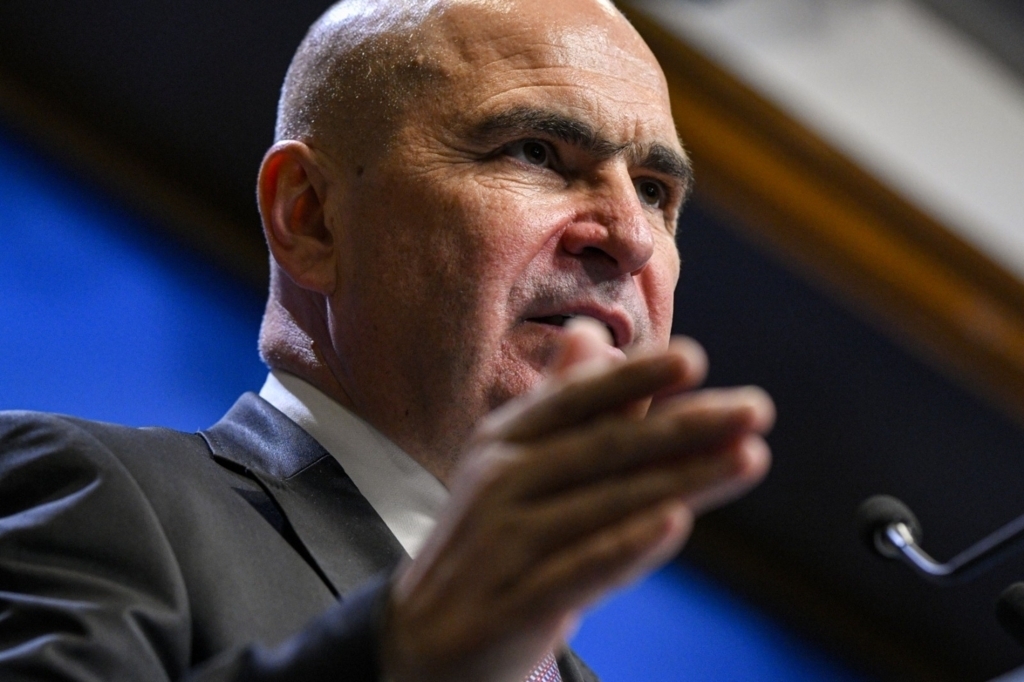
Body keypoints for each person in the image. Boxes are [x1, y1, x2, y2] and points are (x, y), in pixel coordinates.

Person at [0, 0, 775, 680]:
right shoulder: (96, 502)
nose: (631, 237)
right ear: (311, 217)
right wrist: (403, 655)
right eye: (536, 152)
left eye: (655, 191)